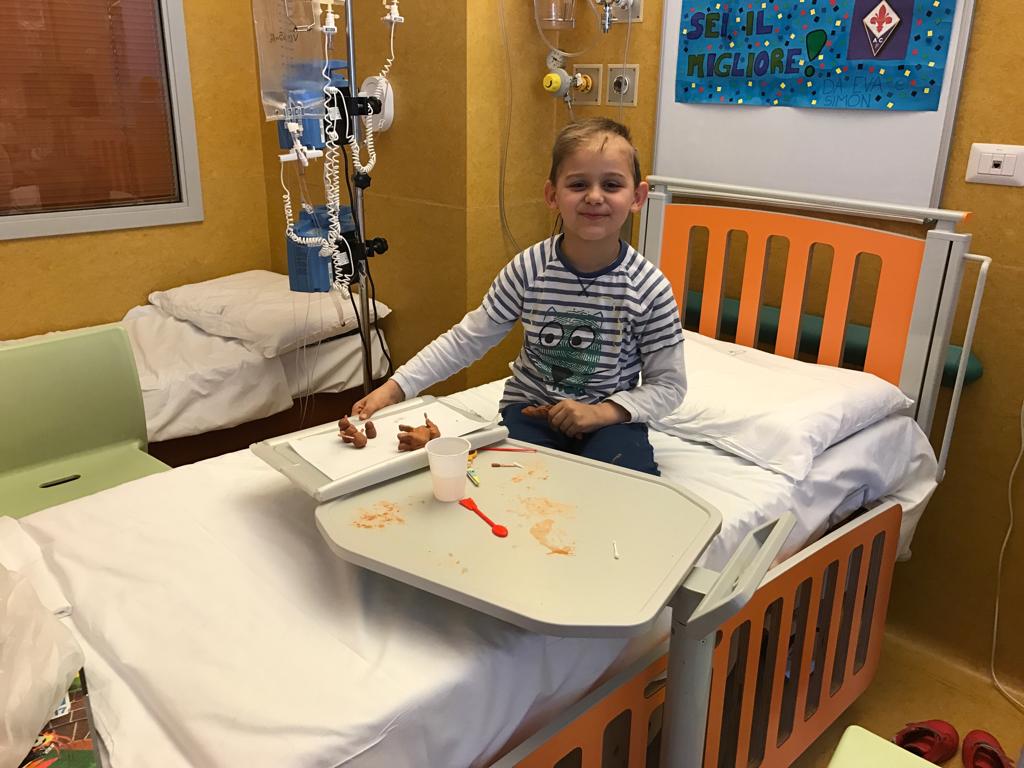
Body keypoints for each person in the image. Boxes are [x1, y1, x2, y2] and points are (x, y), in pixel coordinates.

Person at [351, 117, 685, 475]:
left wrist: (604, 412)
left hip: (609, 421)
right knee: (505, 483)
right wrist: (397, 387)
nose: (594, 196)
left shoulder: (649, 288)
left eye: (612, 184)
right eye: (578, 184)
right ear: (552, 195)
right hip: (530, 411)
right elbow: (467, 339)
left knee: (628, 487)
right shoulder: (529, 269)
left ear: (637, 197)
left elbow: (669, 386)